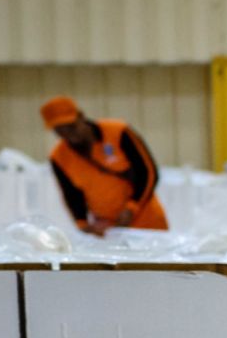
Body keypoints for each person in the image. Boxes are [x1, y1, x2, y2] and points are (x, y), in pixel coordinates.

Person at [42, 95, 167, 235]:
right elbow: (71, 194)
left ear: (81, 116)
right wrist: (82, 223)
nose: (69, 135)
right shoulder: (59, 157)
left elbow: (148, 172)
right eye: (60, 131)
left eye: (71, 127)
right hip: (107, 229)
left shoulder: (118, 132)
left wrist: (132, 208)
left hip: (146, 220)